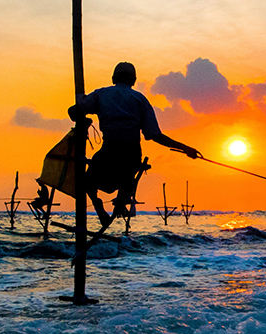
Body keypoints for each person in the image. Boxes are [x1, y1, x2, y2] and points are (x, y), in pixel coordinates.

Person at [68, 61, 200, 227]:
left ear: (113, 78)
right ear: (133, 81)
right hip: (131, 153)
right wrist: (186, 148)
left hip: (109, 149)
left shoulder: (101, 95)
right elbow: (155, 135)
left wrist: (83, 118)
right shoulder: (140, 100)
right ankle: (120, 203)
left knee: (87, 182)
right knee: (126, 181)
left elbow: (73, 112)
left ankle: (99, 207)